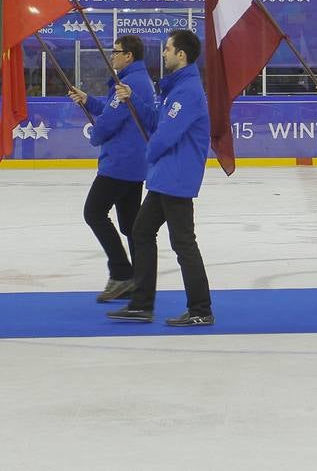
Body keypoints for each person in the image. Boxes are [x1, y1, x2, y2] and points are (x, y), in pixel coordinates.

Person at [107, 29, 214, 327]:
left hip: (175, 177)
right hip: (165, 177)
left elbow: (166, 134)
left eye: (168, 49)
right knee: (141, 232)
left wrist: (148, 154)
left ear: (182, 55)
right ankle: (142, 304)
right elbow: (157, 120)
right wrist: (133, 101)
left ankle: (200, 309)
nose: (163, 53)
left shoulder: (188, 91)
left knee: (183, 243)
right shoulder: (176, 88)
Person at [69, 35, 154, 303]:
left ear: (128, 56)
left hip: (120, 163)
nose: (112, 56)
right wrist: (88, 100)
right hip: (133, 163)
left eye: (116, 52)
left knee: (93, 212)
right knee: (130, 225)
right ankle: (137, 280)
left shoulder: (128, 82)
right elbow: (112, 108)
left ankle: (122, 272)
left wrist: (94, 134)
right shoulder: (137, 80)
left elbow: (110, 121)